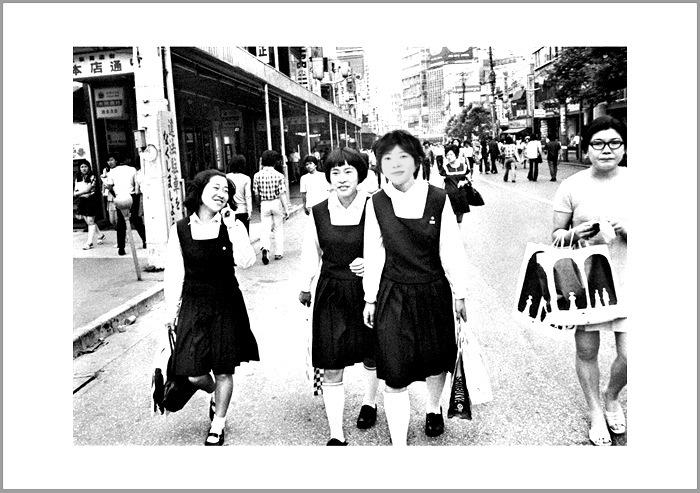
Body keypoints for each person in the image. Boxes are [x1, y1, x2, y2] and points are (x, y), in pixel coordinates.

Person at [362, 130, 469, 446]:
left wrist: (460, 292)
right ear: (379, 164)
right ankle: (399, 444)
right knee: (394, 368)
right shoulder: (377, 202)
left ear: (417, 161)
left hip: (434, 290)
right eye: (387, 158)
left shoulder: (437, 197)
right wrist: (370, 298)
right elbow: (373, 252)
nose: (395, 163)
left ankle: (433, 408)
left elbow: (451, 248)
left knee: (436, 359)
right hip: (393, 292)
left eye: (403, 156)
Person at [163, 169, 258, 446]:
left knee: (225, 369)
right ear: (200, 190)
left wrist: (233, 226)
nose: (221, 194)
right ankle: (216, 393)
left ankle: (218, 422)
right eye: (215, 188)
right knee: (194, 373)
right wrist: (171, 313)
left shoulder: (231, 225)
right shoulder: (180, 228)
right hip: (194, 304)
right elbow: (174, 274)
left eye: (226, 190)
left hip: (226, 303)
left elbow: (247, 261)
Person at [551, 116, 628, 446]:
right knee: (587, 350)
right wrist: (573, 233)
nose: (606, 149)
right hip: (588, 283)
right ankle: (596, 411)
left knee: (632, 355)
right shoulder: (572, 186)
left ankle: (612, 396)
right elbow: (555, 236)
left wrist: (629, 231)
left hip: (632, 278)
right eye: (598, 143)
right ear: (586, 149)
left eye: (614, 143)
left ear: (624, 147)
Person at [298, 147, 379, 446]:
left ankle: (369, 403)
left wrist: (371, 263)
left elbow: (388, 247)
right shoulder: (319, 211)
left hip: (367, 291)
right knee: (332, 362)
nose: (342, 178)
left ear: (360, 174)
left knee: (371, 353)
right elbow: (311, 251)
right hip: (331, 290)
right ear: (328, 177)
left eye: (348, 171)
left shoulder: (375, 206)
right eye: (335, 172)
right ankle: (336, 433)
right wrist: (305, 285)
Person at [252, 150, 290, 264]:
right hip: (276, 202)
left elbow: (256, 193)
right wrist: (286, 209)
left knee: (265, 228)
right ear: (274, 162)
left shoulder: (257, 175)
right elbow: (282, 193)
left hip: (264, 203)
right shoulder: (279, 175)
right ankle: (278, 252)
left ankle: (265, 248)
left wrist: (258, 205)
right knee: (278, 228)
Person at [103, 156, 146, 255]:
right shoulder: (132, 169)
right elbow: (136, 185)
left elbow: (109, 186)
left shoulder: (112, 172)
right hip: (131, 195)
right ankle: (145, 241)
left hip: (119, 197)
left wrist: (115, 195)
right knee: (136, 219)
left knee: (121, 222)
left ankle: (121, 248)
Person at [74, 161, 105, 250]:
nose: (84, 168)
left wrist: (77, 194)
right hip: (82, 200)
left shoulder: (92, 176)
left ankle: (89, 242)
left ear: (89, 167)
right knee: (88, 221)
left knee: (90, 221)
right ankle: (100, 235)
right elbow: (75, 189)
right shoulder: (78, 177)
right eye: (82, 167)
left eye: (85, 166)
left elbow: (88, 189)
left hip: (91, 200)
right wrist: (77, 193)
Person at [442, 144, 470, 224]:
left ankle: (459, 228)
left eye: (451, 154)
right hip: (450, 195)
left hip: (461, 194)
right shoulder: (445, 168)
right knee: (453, 215)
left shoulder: (464, 166)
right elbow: (442, 182)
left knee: (460, 215)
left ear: (456, 155)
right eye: (447, 155)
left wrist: (463, 182)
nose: (449, 157)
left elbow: (469, 179)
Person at [226, 155, 253, 234]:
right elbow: (248, 196)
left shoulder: (226, 177)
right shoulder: (246, 178)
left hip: (229, 210)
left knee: (231, 235)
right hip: (243, 210)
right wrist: (249, 210)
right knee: (244, 235)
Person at [101, 157, 118, 227]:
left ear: (116, 161)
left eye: (111, 160)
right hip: (110, 197)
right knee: (112, 219)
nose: (110, 162)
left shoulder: (119, 171)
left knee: (118, 219)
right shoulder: (107, 173)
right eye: (108, 160)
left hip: (118, 195)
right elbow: (104, 185)